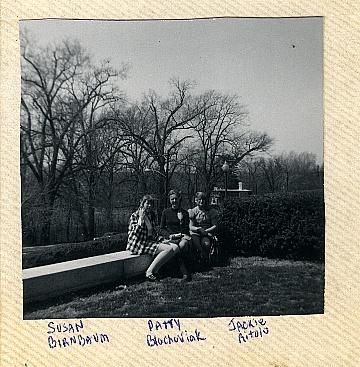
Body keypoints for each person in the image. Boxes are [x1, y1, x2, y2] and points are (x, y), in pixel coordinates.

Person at [126, 195, 179, 281]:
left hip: (150, 241)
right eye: (147, 203)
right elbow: (137, 234)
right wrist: (141, 219)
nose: (149, 206)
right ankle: (149, 272)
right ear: (142, 204)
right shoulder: (135, 216)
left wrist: (162, 240)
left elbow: (153, 232)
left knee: (175, 247)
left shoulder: (151, 215)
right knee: (168, 249)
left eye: (151, 204)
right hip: (139, 243)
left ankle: (156, 270)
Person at [160, 190, 192, 281]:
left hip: (182, 237)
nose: (174, 201)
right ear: (170, 200)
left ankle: (184, 272)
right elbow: (161, 228)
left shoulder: (184, 213)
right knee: (173, 247)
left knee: (182, 245)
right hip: (171, 237)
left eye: (176, 199)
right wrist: (169, 235)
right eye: (172, 199)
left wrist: (181, 221)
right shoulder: (165, 212)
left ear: (179, 199)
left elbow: (186, 229)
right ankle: (182, 271)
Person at [188, 191, 219, 262]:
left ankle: (206, 258)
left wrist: (206, 231)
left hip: (207, 233)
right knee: (195, 240)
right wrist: (198, 229)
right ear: (196, 200)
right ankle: (201, 256)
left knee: (206, 243)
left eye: (203, 199)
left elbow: (215, 226)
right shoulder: (193, 211)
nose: (201, 201)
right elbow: (191, 227)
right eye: (199, 199)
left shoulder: (211, 211)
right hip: (196, 232)